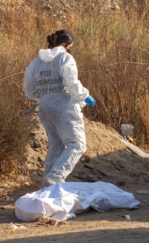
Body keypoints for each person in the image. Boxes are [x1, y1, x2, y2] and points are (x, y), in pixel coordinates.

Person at [23, 30, 96, 187]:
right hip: (64, 106)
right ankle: (55, 177)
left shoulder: (37, 62)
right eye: (69, 46)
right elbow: (71, 82)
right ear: (64, 45)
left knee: (56, 146)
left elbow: (28, 89)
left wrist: (46, 96)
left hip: (44, 106)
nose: (69, 49)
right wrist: (85, 96)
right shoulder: (65, 57)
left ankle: (47, 186)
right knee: (77, 144)